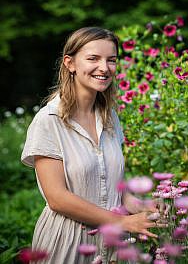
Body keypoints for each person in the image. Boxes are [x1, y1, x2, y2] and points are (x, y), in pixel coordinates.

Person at [21, 27, 161, 264]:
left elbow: (114, 184)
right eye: (93, 58)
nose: (104, 68)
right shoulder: (49, 121)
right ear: (70, 63)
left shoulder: (110, 118)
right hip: (69, 242)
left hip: (112, 244)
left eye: (112, 60)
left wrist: (141, 207)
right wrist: (123, 222)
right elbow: (57, 197)